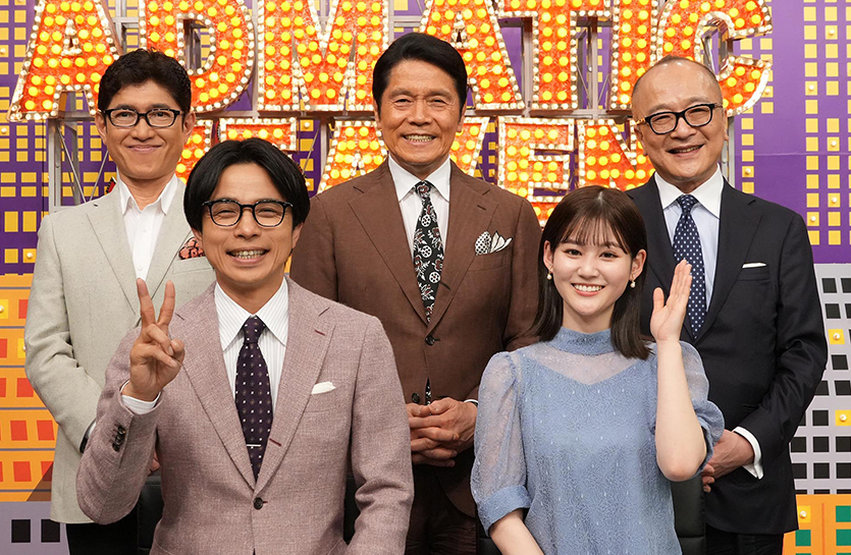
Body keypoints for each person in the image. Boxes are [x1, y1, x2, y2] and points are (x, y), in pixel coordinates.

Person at [76, 138, 414, 553]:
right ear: (198, 231)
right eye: (225, 211)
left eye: (268, 211)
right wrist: (140, 398)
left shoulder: (356, 337)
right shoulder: (152, 347)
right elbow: (102, 505)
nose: (247, 228)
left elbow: (388, 491)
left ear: (297, 229)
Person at [290, 32, 540, 553]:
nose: (419, 117)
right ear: (378, 111)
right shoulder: (329, 214)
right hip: (363, 486)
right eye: (402, 100)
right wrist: (376, 424)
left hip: (480, 484)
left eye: (437, 101)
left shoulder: (510, 213)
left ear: (462, 112)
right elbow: (307, 351)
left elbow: (530, 341)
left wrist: (480, 413)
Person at [628, 56, 827, 553]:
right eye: (661, 118)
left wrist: (747, 442)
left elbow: (804, 352)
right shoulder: (612, 222)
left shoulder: (779, 228)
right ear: (639, 133)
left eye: (698, 111)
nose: (682, 130)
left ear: (723, 117)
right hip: (634, 489)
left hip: (749, 495)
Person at [24, 49, 214, 553]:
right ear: (103, 126)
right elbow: (46, 350)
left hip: (204, 473)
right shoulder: (62, 230)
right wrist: (114, 430)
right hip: (93, 470)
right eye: (125, 114)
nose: (142, 130)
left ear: (188, 124)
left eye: (160, 114)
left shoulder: (219, 222)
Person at [471, 185, 724, 553]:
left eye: (608, 254)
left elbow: (680, 465)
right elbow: (500, 508)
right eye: (573, 251)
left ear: (635, 265)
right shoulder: (511, 373)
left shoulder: (673, 361)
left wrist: (668, 343)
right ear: (549, 256)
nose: (587, 270)